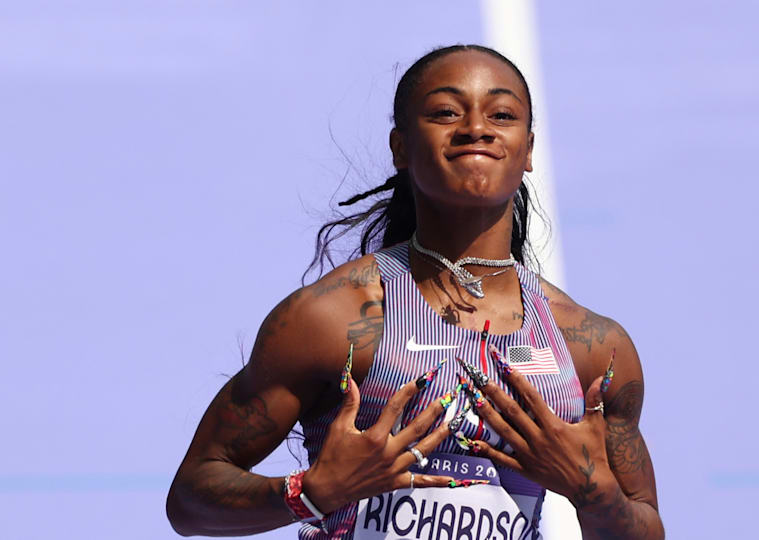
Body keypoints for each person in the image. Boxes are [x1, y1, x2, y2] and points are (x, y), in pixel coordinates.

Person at [166, 44, 663, 540]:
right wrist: (312, 492)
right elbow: (190, 499)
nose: (476, 127)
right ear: (399, 148)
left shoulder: (591, 347)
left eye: (502, 114)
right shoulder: (329, 319)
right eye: (446, 112)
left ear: (529, 149)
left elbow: (645, 526)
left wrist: (593, 493)